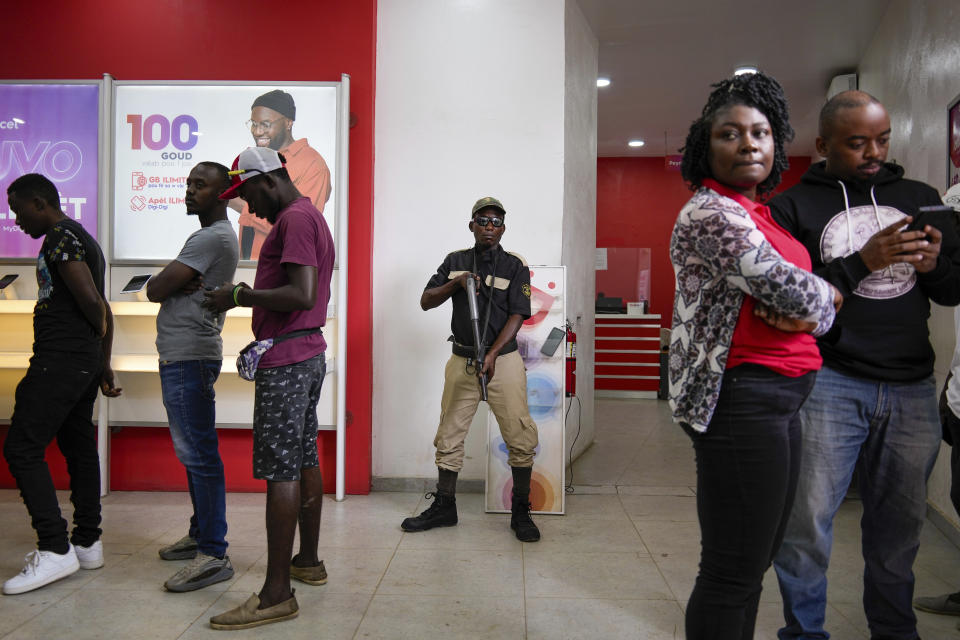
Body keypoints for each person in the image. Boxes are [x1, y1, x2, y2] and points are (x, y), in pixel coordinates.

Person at [769, 90, 960, 640]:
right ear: (824, 145)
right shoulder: (792, 207)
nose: (873, 152)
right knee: (807, 525)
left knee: (899, 530)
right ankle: (804, 634)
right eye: (857, 143)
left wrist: (933, 266)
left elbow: (952, 290)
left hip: (912, 388)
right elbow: (788, 304)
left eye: (881, 139)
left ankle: (894, 631)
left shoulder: (923, 198)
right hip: (827, 383)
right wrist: (862, 261)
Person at [668, 72, 840, 640]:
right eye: (730, 134)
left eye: (762, 133)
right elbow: (796, 291)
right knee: (731, 569)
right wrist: (826, 298)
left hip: (780, 399)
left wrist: (812, 306)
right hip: (741, 399)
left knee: (754, 561)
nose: (748, 144)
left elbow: (802, 299)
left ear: (778, 142)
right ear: (705, 146)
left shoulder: (756, 214)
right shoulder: (710, 214)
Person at [203, 147, 334, 630]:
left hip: (287, 359)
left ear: (270, 179)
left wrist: (239, 295)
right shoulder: (310, 216)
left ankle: (276, 593)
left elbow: (300, 293)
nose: (248, 206)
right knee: (303, 458)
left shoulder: (294, 221)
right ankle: (308, 562)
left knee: (281, 471)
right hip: (307, 352)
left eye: (248, 193)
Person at [2, 173, 122, 595]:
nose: (17, 221)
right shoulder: (81, 236)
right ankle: (87, 542)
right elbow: (102, 306)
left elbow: (92, 302)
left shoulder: (59, 236)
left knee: (21, 447)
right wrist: (101, 361)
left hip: (60, 360)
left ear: (40, 202)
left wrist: (85, 355)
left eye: (18, 211)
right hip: (81, 360)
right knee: (77, 445)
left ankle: (54, 549)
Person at [399, 196, 541, 543]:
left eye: (496, 222)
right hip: (461, 361)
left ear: (503, 228)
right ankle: (445, 506)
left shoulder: (514, 266)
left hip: (501, 362)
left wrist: (491, 355)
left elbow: (518, 315)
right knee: (449, 435)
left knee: (519, 436)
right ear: (472, 225)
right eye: (483, 221)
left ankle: (520, 510)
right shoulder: (455, 261)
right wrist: (456, 283)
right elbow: (425, 300)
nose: (489, 227)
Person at [145, 162, 239, 592]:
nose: (189, 191)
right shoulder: (212, 237)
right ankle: (202, 535)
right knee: (194, 453)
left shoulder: (210, 237)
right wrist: (171, 277)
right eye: (188, 184)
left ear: (222, 194)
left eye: (200, 186)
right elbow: (165, 283)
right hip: (185, 354)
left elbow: (155, 289)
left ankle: (213, 552)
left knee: (199, 454)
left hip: (189, 355)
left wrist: (170, 278)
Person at [236, 89, 331, 260]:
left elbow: (298, 228)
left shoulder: (313, 165)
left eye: (265, 124)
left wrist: (239, 204)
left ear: (288, 123)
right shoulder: (257, 158)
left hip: (281, 272)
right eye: (254, 123)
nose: (257, 131)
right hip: (248, 267)